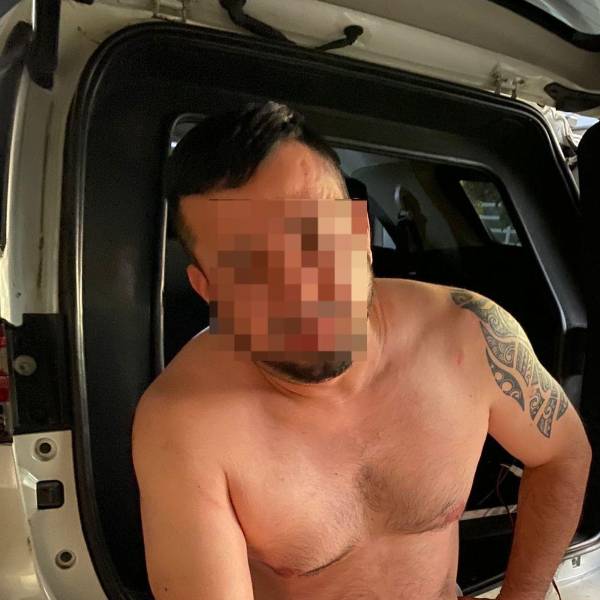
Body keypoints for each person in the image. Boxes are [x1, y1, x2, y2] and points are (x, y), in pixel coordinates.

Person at [132, 101, 592, 600]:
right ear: (208, 290)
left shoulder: (467, 332)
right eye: (249, 265)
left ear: (362, 237)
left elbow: (563, 454)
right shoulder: (184, 424)